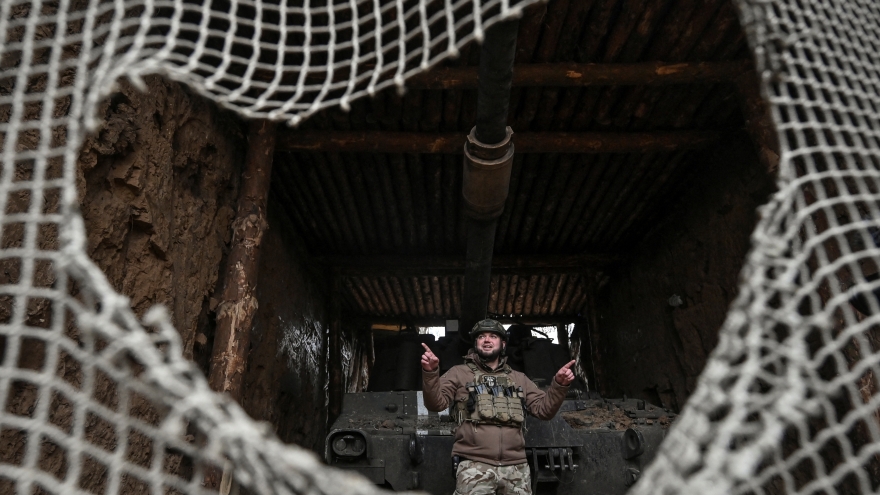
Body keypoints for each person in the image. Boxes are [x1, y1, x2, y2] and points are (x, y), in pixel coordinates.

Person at [420, 319, 576, 495]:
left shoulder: (519, 378)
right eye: (481, 337)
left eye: (493, 336)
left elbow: (544, 410)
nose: (487, 340)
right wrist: (430, 373)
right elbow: (435, 404)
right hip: (474, 465)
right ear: (475, 343)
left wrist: (559, 385)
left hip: (516, 468)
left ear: (503, 344)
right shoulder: (458, 373)